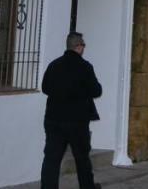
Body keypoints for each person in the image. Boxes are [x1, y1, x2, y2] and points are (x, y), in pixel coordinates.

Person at [40, 32, 103, 189]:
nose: (84, 48)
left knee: (51, 159)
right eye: (83, 45)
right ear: (79, 47)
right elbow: (96, 91)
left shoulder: (54, 65)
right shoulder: (85, 67)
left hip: (54, 119)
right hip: (77, 121)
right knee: (82, 159)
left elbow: (45, 87)